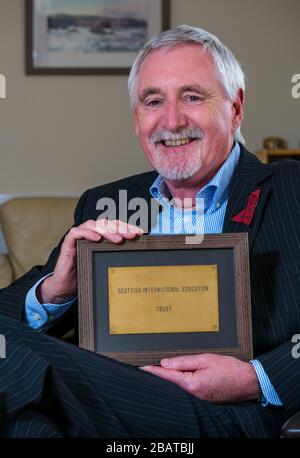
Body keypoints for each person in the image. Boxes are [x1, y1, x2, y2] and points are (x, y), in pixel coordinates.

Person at [0, 24, 300, 438]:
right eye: (153, 101)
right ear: (137, 116)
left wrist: (257, 378)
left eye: (192, 97)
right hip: (104, 408)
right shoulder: (108, 200)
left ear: (235, 108)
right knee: (27, 427)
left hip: (232, 415)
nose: (171, 121)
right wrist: (56, 291)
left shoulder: (292, 189)